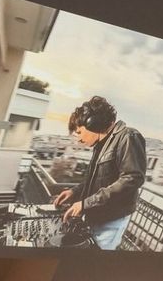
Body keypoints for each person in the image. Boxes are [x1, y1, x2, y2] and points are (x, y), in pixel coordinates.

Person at [54, 96, 146, 250]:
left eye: (79, 132)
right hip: (97, 216)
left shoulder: (128, 136)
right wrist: (74, 192)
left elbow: (133, 178)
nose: (79, 139)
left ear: (93, 124)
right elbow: (97, 180)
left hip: (110, 220)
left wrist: (86, 203)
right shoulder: (101, 145)